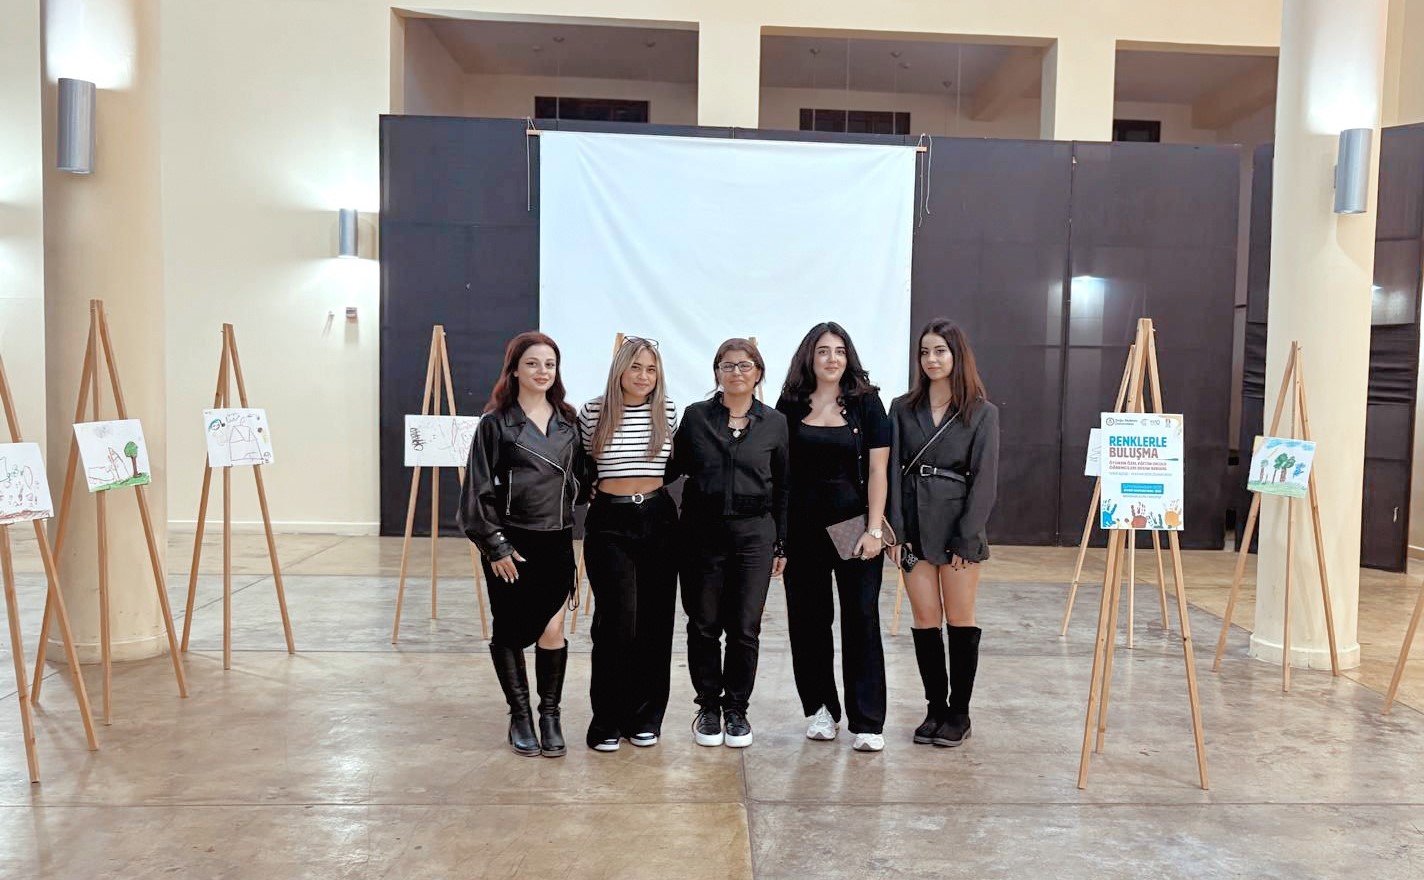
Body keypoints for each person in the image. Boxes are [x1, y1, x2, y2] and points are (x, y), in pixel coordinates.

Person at [459, 331, 591, 758]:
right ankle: (519, 716)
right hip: (512, 543)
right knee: (511, 629)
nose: (542, 371)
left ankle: (549, 715)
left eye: (549, 364)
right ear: (514, 369)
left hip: (556, 540)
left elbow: (582, 479)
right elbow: (476, 489)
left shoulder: (569, 422)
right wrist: (495, 546)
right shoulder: (496, 423)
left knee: (553, 629)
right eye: (532, 363)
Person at [775, 322, 891, 753]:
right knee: (808, 621)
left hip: (852, 526)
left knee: (861, 619)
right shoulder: (790, 403)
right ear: (810, 356)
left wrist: (874, 529)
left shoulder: (867, 402)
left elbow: (878, 470)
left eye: (839, 351)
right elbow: (779, 472)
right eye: (823, 350)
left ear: (849, 356)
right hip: (803, 529)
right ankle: (820, 710)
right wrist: (779, 538)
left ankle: (867, 721)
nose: (832, 359)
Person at [667, 338, 788, 748]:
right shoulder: (696, 417)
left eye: (745, 365)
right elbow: (671, 467)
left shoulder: (775, 423)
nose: (737, 372)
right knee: (703, 624)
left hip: (755, 536)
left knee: (745, 627)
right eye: (728, 365)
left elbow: (783, 486)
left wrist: (781, 543)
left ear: (759, 373)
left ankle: (737, 709)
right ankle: (708, 707)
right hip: (700, 534)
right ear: (717, 372)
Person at [887, 318, 999, 748]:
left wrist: (966, 537)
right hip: (913, 527)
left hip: (958, 528)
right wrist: (896, 532)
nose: (931, 359)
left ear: (956, 355)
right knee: (924, 620)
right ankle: (935, 708)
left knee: (960, 619)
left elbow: (985, 481)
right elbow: (891, 471)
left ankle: (960, 712)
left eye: (940, 351)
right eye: (925, 352)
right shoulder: (902, 408)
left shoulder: (981, 413)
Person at [577, 336, 680, 751]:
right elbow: (585, 464)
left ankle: (646, 717)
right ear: (620, 368)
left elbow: (673, 466)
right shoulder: (593, 412)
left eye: (651, 369)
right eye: (635, 367)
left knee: (656, 620)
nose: (643, 376)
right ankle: (607, 719)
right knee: (617, 620)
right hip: (610, 522)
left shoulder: (667, 411)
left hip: (657, 518)